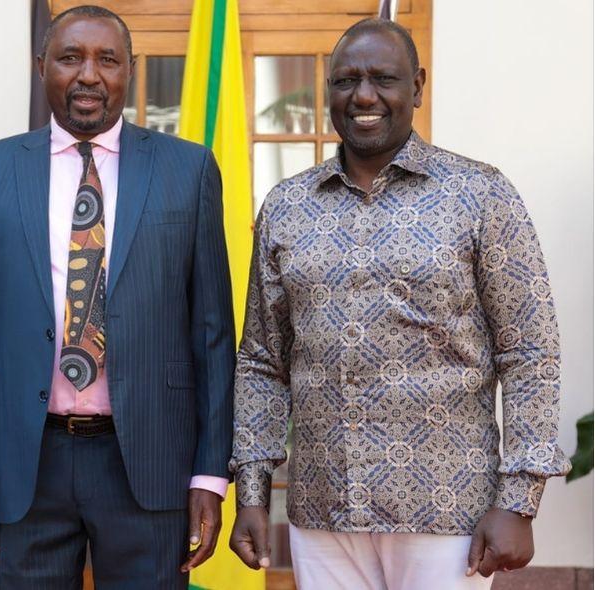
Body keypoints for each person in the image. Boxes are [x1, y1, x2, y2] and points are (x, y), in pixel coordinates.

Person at [228, 18, 570, 590]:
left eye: (383, 79)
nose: (364, 96)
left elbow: (530, 351)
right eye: (346, 80)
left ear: (417, 86)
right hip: (323, 512)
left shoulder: (481, 194)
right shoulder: (287, 206)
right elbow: (263, 361)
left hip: (447, 515)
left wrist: (519, 501)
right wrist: (254, 492)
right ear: (329, 90)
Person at [0, 5, 235, 588]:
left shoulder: (189, 169)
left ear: (131, 70)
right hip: (23, 466)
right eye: (70, 58)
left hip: (149, 464)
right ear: (41, 65)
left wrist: (208, 474)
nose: (89, 75)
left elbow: (212, 335)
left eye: (108, 60)